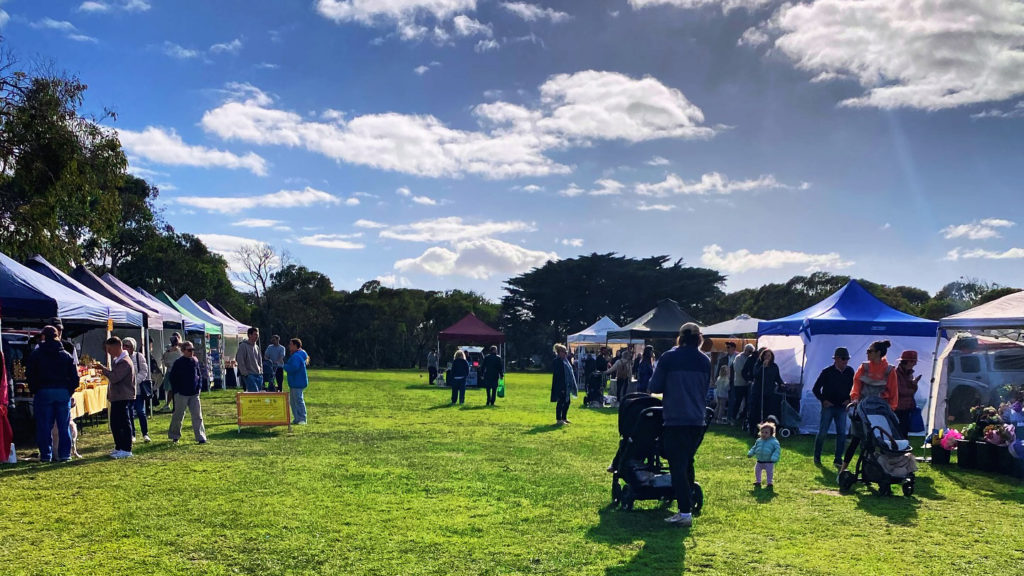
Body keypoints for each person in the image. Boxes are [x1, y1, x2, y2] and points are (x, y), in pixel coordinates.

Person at [649, 322, 711, 527]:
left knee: (677, 466)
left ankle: (684, 511)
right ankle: (689, 502)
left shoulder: (669, 357)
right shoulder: (705, 360)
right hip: (698, 419)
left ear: (681, 337)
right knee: (687, 462)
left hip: (676, 418)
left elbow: (655, 386)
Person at [839, 340, 899, 475]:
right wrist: (854, 399)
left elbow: (893, 392)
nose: (867, 353)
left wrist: (891, 409)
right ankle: (842, 470)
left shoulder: (890, 370)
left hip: (880, 412)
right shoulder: (864, 367)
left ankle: (884, 471)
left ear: (878, 353)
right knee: (856, 439)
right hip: (862, 409)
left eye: (870, 351)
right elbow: (856, 386)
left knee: (879, 442)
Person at [26, 326, 78, 462]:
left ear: (43, 336)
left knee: (44, 425)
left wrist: (35, 389)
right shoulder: (66, 355)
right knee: (63, 425)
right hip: (62, 392)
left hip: (43, 392)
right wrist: (69, 391)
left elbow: (30, 374)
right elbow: (75, 378)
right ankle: (64, 455)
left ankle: (46, 455)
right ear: (57, 336)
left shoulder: (36, 354)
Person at [93, 337, 136, 459]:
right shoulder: (118, 360)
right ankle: (119, 446)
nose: (108, 352)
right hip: (118, 396)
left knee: (123, 423)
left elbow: (115, 377)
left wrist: (103, 369)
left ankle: (126, 449)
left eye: (109, 349)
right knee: (115, 423)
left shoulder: (125, 362)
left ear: (117, 347)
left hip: (123, 396)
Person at [811, 347, 854, 468]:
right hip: (828, 406)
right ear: (836, 359)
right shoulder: (827, 372)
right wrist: (823, 400)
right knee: (823, 432)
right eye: (843, 359)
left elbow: (855, 388)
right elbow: (815, 388)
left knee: (842, 433)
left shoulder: (850, 372)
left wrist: (849, 400)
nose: (845, 361)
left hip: (842, 407)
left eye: (847, 359)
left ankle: (838, 459)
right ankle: (817, 456)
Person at [167, 341, 207, 444]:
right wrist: (177, 391)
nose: (191, 352)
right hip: (181, 394)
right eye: (189, 350)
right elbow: (172, 378)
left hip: (194, 393)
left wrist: (199, 388)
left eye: (192, 350)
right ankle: (174, 436)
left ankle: (201, 437)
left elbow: (199, 375)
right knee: (178, 415)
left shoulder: (195, 361)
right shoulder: (178, 362)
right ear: (183, 351)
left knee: (197, 416)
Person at [747, 349, 785, 436]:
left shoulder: (774, 366)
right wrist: (762, 367)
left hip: (768, 392)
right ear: (762, 356)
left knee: (767, 412)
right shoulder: (758, 364)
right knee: (755, 411)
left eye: (769, 355)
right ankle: (753, 429)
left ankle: (765, 431)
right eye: (765, 355)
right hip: (758, 392)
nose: (767, 357)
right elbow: (755, 375)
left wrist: (781, 383)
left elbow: (777, 377)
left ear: (772, 357)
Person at [123, 337, 153, 444]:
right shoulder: (122, 358)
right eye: (124, 346)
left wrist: (135, 381)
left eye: (128, 346)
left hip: (138, 389)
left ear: (133, 347)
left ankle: (145, 434)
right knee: (130, 412)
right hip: (127, 391)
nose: (125, 348)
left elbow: (144, 371)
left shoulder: (139, 356)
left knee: (140, 411)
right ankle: (132, 434)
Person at [747, 421, 782, 489]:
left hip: (769, 461)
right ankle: (758, 481)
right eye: (762, 432)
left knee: (769, 472)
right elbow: (755, 448)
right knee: (757, 471)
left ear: (771, 433)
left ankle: (769, 482)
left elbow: (777, 450)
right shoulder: (759, 441)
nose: (764, 434)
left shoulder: (774, 442)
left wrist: (774, 457)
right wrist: (751, 453)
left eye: (766, 432)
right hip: (759, 461)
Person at [894, 350, 920, 438]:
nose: (915, 364)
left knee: (904, 432)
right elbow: (900, 390)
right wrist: (912, 389)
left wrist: (914, 384)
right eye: (914, 361)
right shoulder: (895, 373)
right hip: (897, 408)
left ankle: (902, 449)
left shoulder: (909, 374)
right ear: (908, 361)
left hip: (906, 407)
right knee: (899, 432)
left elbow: (909, 390)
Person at [550, 343, 577, 425]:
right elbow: (558, 376)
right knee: (560, 402)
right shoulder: (557, 361)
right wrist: (561, 388)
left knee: (567, 402)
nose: (565, 353)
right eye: (564, 352)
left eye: (566, 352)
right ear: (559, 352)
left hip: (567, 385)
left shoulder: (566, 361)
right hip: (561, 385)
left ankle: (564, 418)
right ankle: (558, 419)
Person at [284, 338, 309, 424]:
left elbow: (293, 368)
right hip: (296, 382)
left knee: (298, 400)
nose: (289, 346)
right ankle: (297, 418)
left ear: (295, 345)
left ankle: (302, 418)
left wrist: (284, 366)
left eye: (290, 344)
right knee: (293, 401)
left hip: (297, 382)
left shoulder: (296, 356)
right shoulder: (298, 355)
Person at [730, 344, 754, 425]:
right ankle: (732, 418)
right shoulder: (739, 358)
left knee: (748, 402)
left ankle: (743, 418)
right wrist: (747, 378)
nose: (750, 353)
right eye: (749, 351)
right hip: (739, 383)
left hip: (748, 384)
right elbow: (739, 370)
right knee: (738, 401)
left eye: (752, 352)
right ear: (745, 350)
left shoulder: (751, 358)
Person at [158, 334, 183, 412]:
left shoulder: (180, 350)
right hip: (171, 371)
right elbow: (164, 359)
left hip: (177, 372)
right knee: (171, 390)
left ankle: (176, 406)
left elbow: (164, 359)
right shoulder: (169, 349)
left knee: (175, 390)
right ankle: (170, 405)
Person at [236, 327, 263, 393]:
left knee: (259, 394)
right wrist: (245, 373)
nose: (257, 336)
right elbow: (240, 360)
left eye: (257, 335)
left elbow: (260, 360)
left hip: (258, 374)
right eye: (255, 334)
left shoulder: (256, 347)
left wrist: (261, 371)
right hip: (249, 375)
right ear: (249, 335)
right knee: (254, 393)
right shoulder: (243, 346)